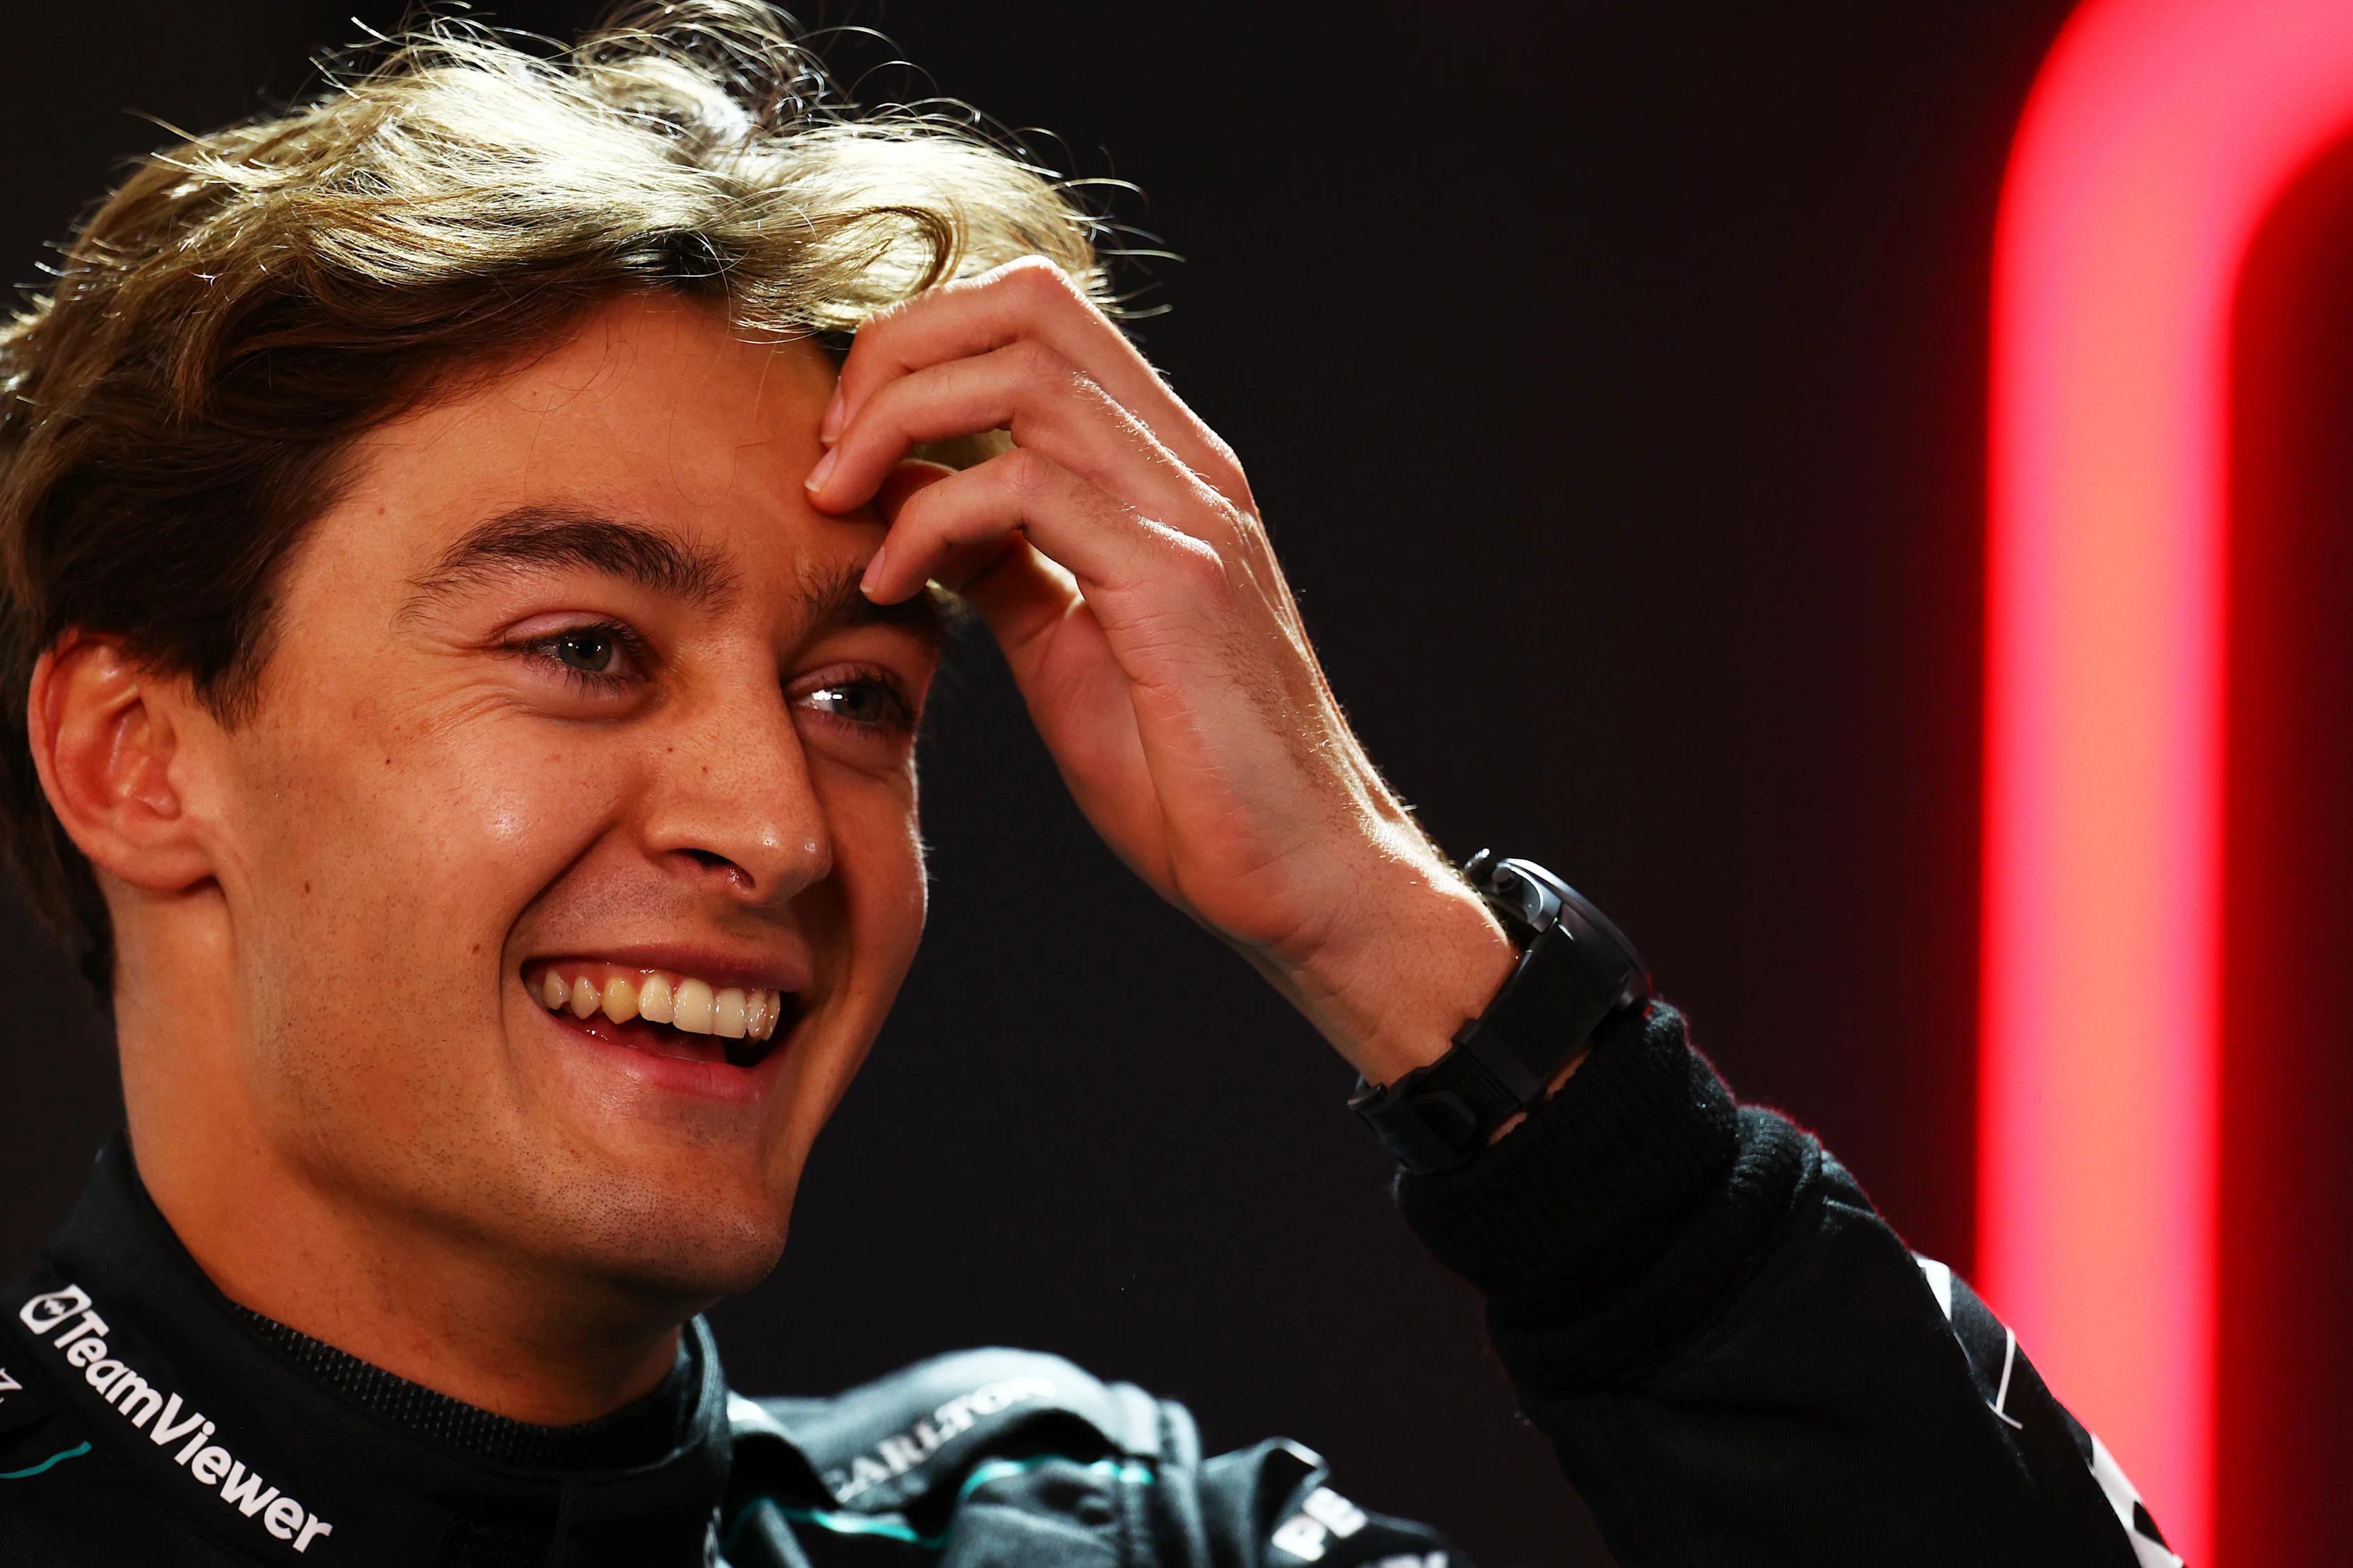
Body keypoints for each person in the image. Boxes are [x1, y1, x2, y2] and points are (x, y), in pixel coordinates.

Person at [0, 5, 2177, 1565]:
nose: (772, 825)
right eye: (585, 650)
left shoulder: (1099, 1528)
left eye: (858, 694)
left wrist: (1379, 920)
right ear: (136, 758)